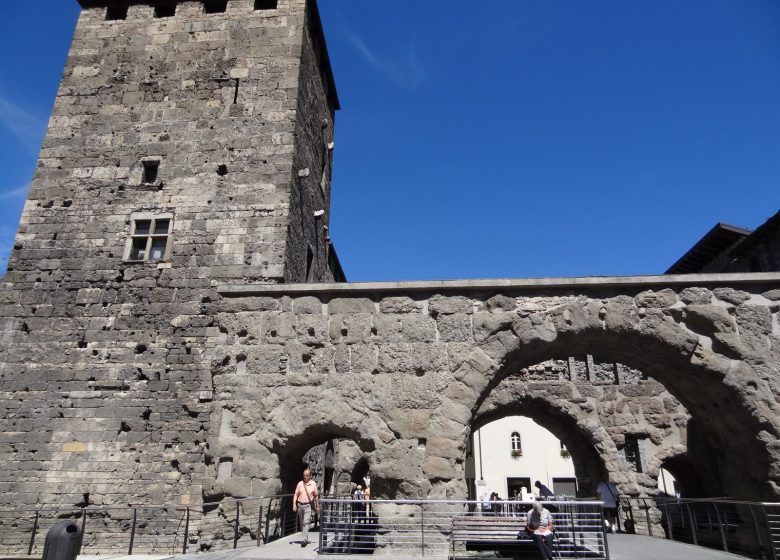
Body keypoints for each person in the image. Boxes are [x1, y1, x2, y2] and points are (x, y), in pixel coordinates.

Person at [293, 468, 319, 547]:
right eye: (304, 475)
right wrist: (294, 504)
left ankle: (304, 540)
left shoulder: (313, 484)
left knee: (306, 522)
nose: (305, 477)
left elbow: (316, 496)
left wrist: (317, 506)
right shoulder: (300, 484)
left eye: (307, 475)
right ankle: (305, 537)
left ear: (310, 476)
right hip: (300, 505)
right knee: (301, 523)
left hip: (308, 505)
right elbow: (295, 495)